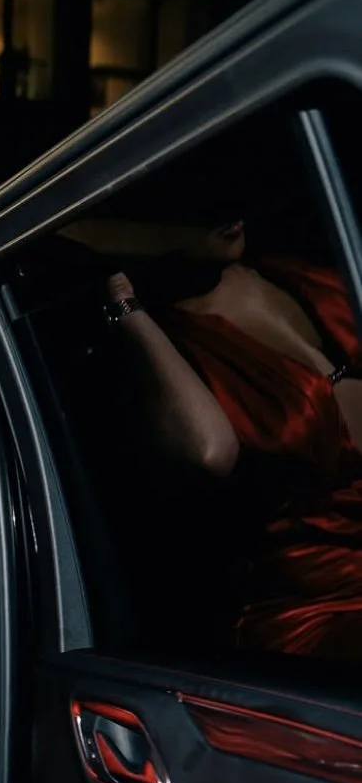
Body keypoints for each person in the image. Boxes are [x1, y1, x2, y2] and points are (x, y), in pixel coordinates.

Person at [104, 218, 362, 660]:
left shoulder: (294, 272)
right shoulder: (172, 342)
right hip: (316, 609)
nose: (224, 210)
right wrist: (124, 309)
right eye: (192, 197)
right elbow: (211, 451)